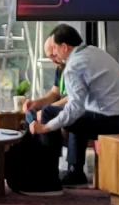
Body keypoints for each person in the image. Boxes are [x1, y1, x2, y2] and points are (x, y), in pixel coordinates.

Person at [28, 24, 119, 186]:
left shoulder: (74, 66)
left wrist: (45, 127)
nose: (54, 54)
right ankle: (75, 172)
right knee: (79, 118)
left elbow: (74, 108)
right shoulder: (95, 52)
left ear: (64, 47)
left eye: (54, 49)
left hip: (116, 122)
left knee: (49, 113)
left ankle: (49, 176)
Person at [23, 37, 89, 184]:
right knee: (31, 113)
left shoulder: (76, 66)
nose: (53, 59)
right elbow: (54, 93)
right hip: (62, 106)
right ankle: (39, 161)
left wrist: (50, 108)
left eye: (53, 54)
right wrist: (36, 103)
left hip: (77, 107)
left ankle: (53, 169)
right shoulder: (61, 68)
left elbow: (75, 97)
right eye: (49, 56)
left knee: (48, 114)